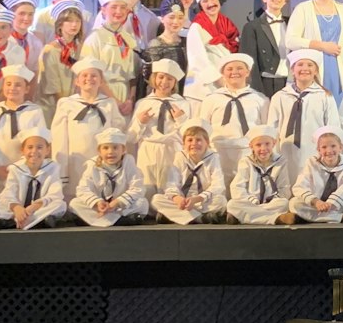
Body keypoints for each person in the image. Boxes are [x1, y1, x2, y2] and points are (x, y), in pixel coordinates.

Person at [52, 57, 126, 198]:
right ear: (77, 81)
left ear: (101, 81)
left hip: (102, 157)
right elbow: (59, 138)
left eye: (94, 76)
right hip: (75, 158)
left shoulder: (109, 103)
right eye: (84, 75)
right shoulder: (66, 103)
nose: (89, 79)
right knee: (76, 191)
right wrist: (61, 166)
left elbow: (119, 130)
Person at [286, 0, 343, 102]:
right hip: (312, 69)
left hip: (339, 71)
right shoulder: (302, 9)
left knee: (339, 114)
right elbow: (290, 41)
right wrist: (321, 46)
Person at [267, 49, 340, 175]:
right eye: (300, 65)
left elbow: (333, 127)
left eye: (310, 65)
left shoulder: (324, 96)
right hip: (285, 152)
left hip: (315, 152)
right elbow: (271, 128)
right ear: (292, 70)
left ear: (316, 71)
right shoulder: (280, 96)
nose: (305, 68)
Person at [198, 53, 267, 182]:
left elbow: (265, 129)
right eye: (229, 69)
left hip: (248, 151)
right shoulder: (211, 99)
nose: (234, 72)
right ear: (223, 74)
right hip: (218, 151)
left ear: (247, 72)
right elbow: (203, 128)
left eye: (239, 68)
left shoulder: (260, 99)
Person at [131, 59, 191, 198]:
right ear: (154, 78)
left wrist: (181, 119)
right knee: (147, 188)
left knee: (170, 187)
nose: (164, 82)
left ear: (175, 82)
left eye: (170, 78)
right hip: (148, 150)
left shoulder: (183, 104)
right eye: (161, 77)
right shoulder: (143, 103)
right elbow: (131, 136)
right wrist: (140, 122)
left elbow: (188, 135)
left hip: (172, 149)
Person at [0, 128, 68, 230]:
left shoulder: (53, 168)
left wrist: (35, 206)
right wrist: (16, 207)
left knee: (59, 205)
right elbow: (8, 193)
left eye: (39, 147)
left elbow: (55, 194)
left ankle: (14, 222)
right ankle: (37, 221)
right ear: (23, 150)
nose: (34, 151)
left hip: (38, 208)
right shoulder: (15, 169)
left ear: (47, 150)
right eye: (30, 147)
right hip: (19, 209)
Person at [152, 119, 227, 225]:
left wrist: (197, 199)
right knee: (156, 199)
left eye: (199, 140)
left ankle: (177, 216)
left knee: (221, 201)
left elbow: (218, 185)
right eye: (190, 140)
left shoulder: (213, 158)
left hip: (201, 200)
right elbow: (172, 183)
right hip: (183, 201)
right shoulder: (180, 157)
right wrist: (177, 198)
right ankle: (200, 218)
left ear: (207, 143)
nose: (194, 144)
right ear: (183, 144)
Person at [72, 127, 150, 227]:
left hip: (119, 206)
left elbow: (138, 188)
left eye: (115, 147)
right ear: (99, 151)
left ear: (123, 150)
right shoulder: (92, 165)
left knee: (142, 203)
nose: (110, 152)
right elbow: (83, 189)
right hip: (101, 207)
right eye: (105, 148)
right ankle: (120, 220)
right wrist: (98, 203)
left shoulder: (129, 164)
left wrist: (116, 203)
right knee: (74, 203)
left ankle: (93, 220)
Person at [0, 64, 46, 177]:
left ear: (27, 89)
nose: (12, 88)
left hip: (25, 170)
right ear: (3, 87)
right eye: (8, 84)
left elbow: (39, 142)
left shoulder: (34, 111)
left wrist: (18, 167)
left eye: (18, 85)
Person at [187, 0, 243, 101]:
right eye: (205, 1)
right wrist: (218, 79)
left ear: (219, 0)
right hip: (203, 87)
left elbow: (235, 49)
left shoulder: (228, 24)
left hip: (227, 83)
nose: (211, 3)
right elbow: (197, 59)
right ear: (200, 5)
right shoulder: (197, 27)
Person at [288, 126, 343, 223]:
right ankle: (341, 217)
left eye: (333, 146)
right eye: (324, 147)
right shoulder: (311, 163)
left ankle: (307, 217)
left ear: (340, 148)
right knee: (294, 203)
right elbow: (299, 187)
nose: (329, 151)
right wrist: (316, 202)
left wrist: (331, 203)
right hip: (317, 203)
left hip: (336, 204)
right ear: (318, 150)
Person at [227, 124, 294, 226]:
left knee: (284, 203)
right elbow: (237, 187)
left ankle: (243, 217)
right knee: (232, 204)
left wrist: (272, 200)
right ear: (251, 146)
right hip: (250, 203)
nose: (263, 148)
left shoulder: (281, 162)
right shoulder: (246, 162)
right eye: (258, 145)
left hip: (272, 204)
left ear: (274, 143)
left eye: (267, 144)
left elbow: (284, 189)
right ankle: (275, 219)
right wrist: (252, 200)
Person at [35, 0, 87, 119]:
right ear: (60, 24)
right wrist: (67, 105)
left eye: (77, 21)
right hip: (51, 108)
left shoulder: (81, 49)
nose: (74, 25)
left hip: (74, 106)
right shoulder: (49, 50)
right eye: (69, 21)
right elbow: (52, 85)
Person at [240, 0, 291, 98]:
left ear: (285, 0)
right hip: (265, 84)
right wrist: (257, 91)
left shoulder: (293, 23)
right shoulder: (252, 27)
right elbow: (249, 62)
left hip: (290, 83)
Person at [144, 1, 189, 91]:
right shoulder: (156, 44)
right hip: (164, 93)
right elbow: (152, 77)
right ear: (162, 19)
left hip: (186, 92)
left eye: (180, 18)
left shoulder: (187, 42)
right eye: (171, 17)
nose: (176, 21)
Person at [5, 0, 45, 74]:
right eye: (22, 14)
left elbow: (36, 71)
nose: (26, 18)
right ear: (11, 14)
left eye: (30, 14)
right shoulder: (2, 39)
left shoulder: (36, 42)